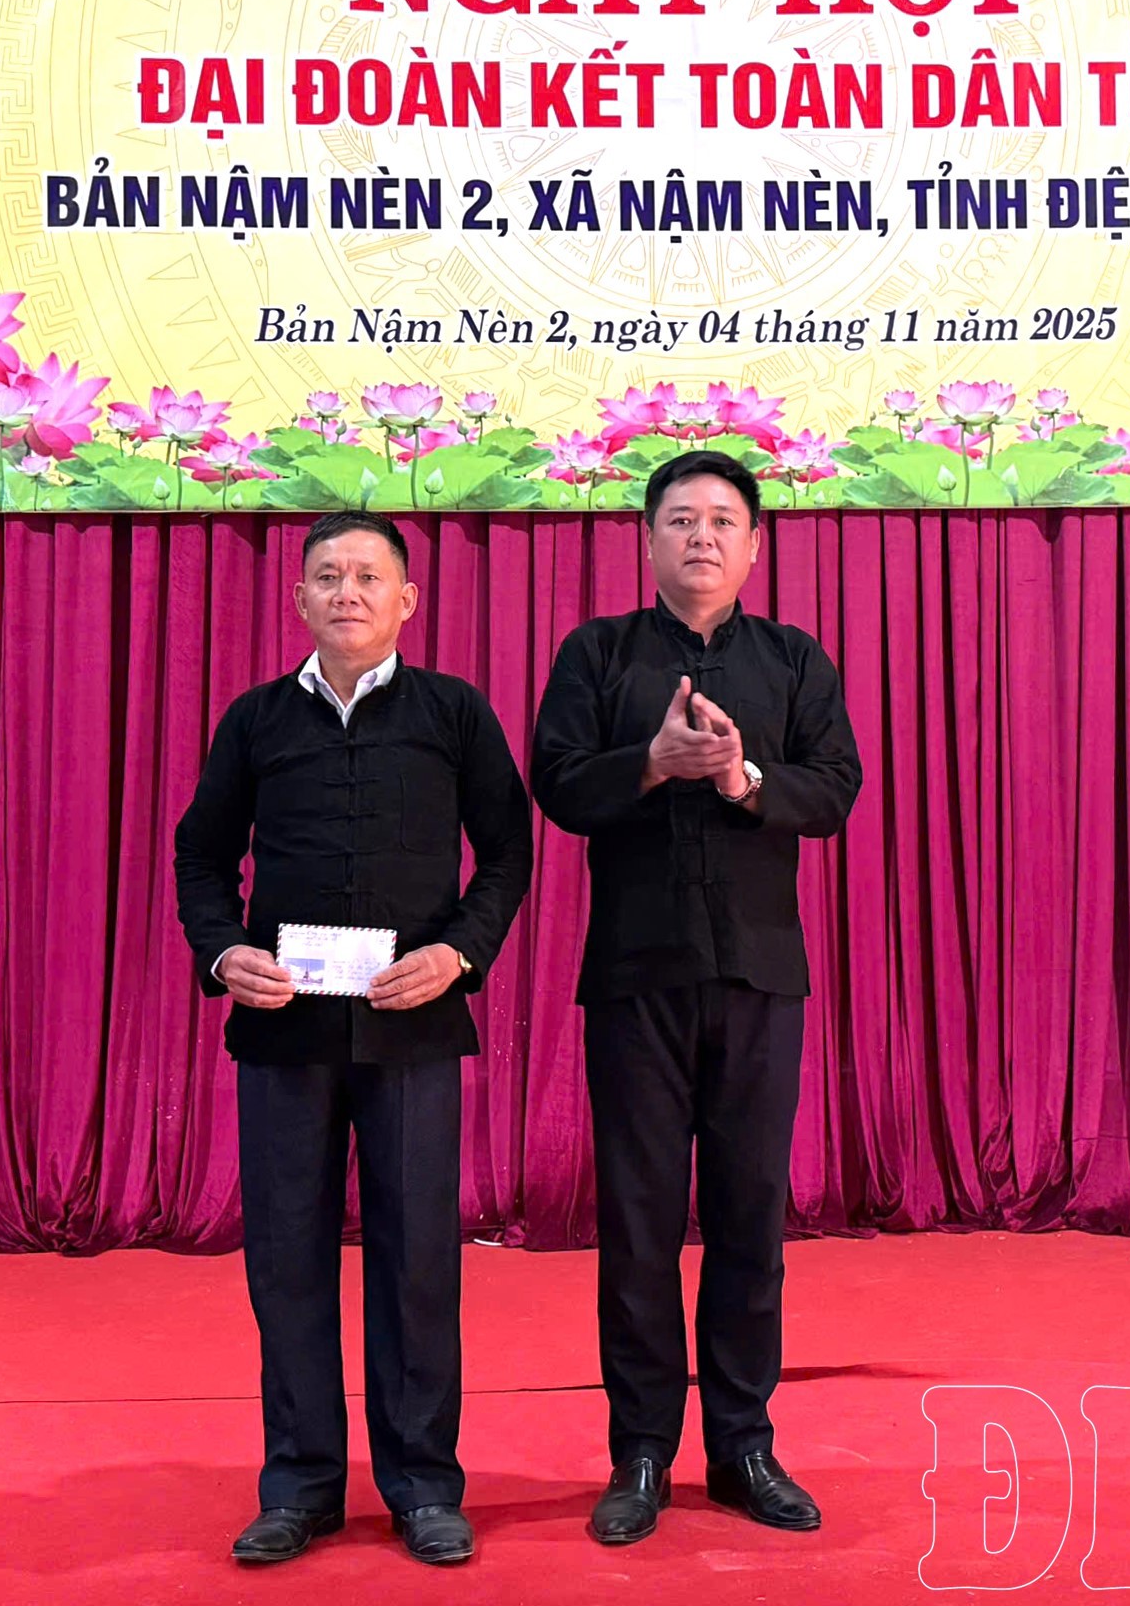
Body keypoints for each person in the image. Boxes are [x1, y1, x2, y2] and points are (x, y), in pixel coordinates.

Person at [174, 511, 532, 1567]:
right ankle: (299, 1485)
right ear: (298, 599)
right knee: (286, 1260)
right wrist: (223, 954)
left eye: (369, 575)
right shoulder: (255, 721)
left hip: (411, 1028)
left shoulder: (453, 713)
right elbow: (200, 857)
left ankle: (422, 1483)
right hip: (283, 1032)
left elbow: (507, 854)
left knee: (418, 1261)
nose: (347, 591)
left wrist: (459, 953)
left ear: (407, 600)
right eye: (327, 575)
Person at [530, 451, 862, 1545]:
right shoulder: (598, 653)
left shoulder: (793, 659)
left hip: (760, 975)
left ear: (754, 545)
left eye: (723, 519)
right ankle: (639, 1451)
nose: (702, 537)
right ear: (647, 540)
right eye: (680, 519)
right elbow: (556, 782)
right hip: (636, 976)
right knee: (635, 1222)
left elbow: (835, 787)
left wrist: (737, 778)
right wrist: (652, 763)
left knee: (749, 1218)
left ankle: (742, 1445)